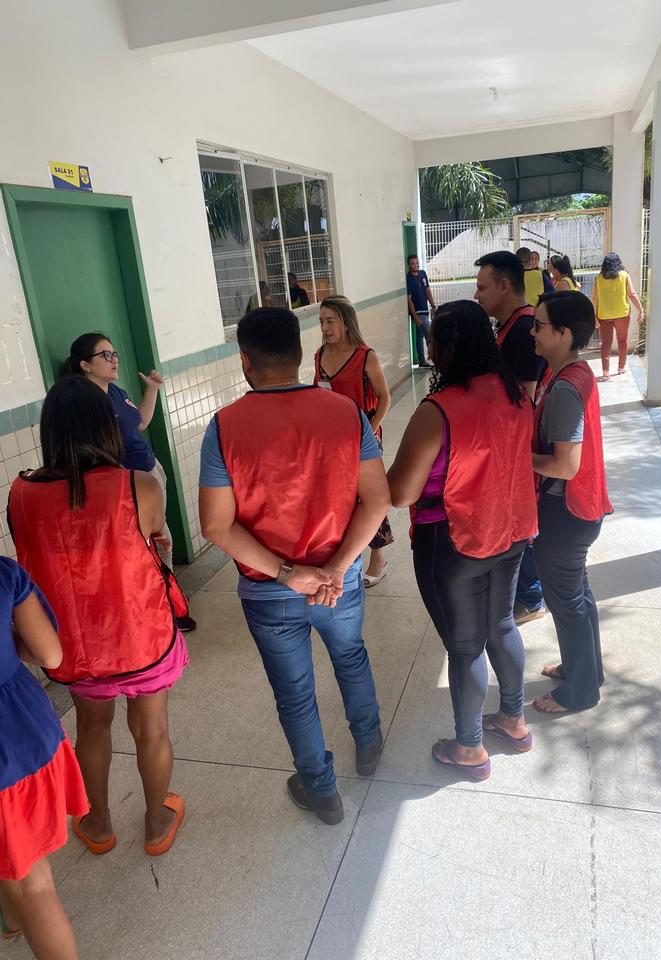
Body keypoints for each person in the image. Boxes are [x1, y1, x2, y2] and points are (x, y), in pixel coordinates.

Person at [199, 307, 390, 825]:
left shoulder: (225, 427)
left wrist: (289, 574)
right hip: (338, 582)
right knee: (351, 656)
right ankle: (369, 745)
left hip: (269, 591)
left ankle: (321, 790)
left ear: (245, 360)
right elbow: (378, 499)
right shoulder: (346, 413)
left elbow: (216, 526)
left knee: (294, 692)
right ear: (302, 353)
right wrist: (338, 567)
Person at [8, 377, 188, 857]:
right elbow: (153, 534)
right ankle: (156, 824)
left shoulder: (21, 494)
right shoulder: (139, 485)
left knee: (90, 727)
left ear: (50, 430)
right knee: (151, 730)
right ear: (107, 426)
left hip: (72, 643)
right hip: (141, 634)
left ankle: (99, 823)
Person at [387, 301, 537, 781]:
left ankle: (470, 747)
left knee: (466, 647)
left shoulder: (438, 409)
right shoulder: (517, 396)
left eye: (434, 340)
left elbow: (400, 492)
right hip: (511, 533)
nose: (429, 348)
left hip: (454, 543)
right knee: (503, 625)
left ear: (447, 348)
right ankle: (513, 719)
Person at [62, 332, 196, 632]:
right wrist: (119, 479)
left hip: (150, 471)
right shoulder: (84, 403)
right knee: (155, 542)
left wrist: (152, 391)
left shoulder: (115, 391)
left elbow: (140, 422)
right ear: (85, 365)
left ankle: (168, 598)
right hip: (125, 484)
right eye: (106, 355)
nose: (115, 360)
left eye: (114, 354)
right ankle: (166, 605)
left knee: (160, 540)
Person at [530, 291, 613, 713]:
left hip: (565, 514)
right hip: (579, 509)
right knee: (577, 594)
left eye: (539, 325)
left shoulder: (564, 388)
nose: (532, 332)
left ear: (563, 333)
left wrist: (517, 458)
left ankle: (580, 692)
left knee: (567, 602)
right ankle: (586, 669)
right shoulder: (571, 371)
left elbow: (565, 465)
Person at [0, 558, 87, 959]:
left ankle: (13, 916)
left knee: (20, 870)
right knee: (33, 882)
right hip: (23, 738)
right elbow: (49, 655)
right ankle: (15, 915)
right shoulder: (5, 574)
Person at [474, 250, 547, 626]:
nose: (477, 295)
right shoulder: (507, 326)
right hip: (507, 448)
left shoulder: (523, 330)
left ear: (504, 285)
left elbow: (523, 403)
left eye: (482, 287)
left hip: (520, 448)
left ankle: (531, 596)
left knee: (522, 520)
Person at [314, 296, 393, 586]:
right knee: (342, 497)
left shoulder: (364, 356)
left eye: (330, 321)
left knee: (368, 497)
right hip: (333, 440)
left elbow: (384, 397)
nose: (325, 327)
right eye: (321, 321)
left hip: (364, 439)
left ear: (346, 323)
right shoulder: (320, 354)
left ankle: (379, 558)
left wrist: (370, 430)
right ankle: (349, 553)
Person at [592, 252, 644, 381]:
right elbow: (632, 294)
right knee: (622, 340)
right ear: (618, 263)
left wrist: (594, 316)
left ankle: (605, 373)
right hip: (622, 314)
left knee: (606, 343)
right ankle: (621, 368)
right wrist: (641, 310)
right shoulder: (624, 275)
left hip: (604, 315)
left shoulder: (598, 278)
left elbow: (595, 298)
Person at [406, 255, 437, 368]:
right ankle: (437, 360)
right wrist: (415, 317)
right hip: (418, 313)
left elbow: (427, 291)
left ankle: (421, 361)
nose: (416, 265)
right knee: (430, 336)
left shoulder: (423, 274)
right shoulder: (408, 279)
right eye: (413, 263)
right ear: (409, 265)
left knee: (419, 336)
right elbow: (409, 300)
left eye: (417, 262)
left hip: (425, 310)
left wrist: (433, 306)